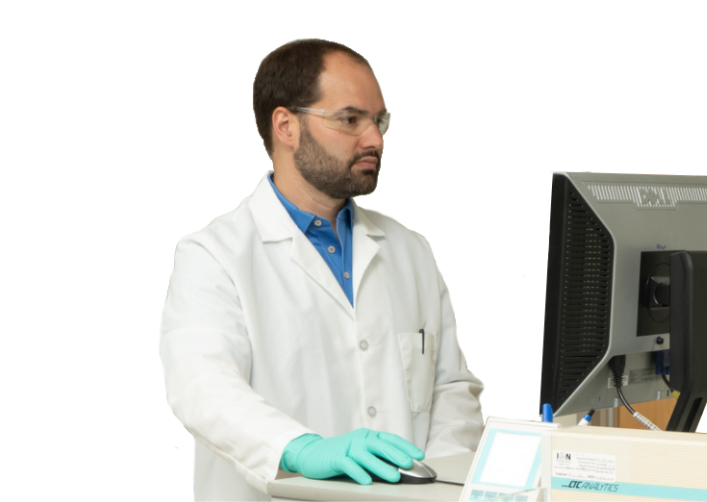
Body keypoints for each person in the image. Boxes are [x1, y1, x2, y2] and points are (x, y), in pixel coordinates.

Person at [158, 38, 485, 502]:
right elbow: (202, 386)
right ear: (286, 126)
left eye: (379, 120)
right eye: (351, 119)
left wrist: (434, 477)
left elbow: (451, 387)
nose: (375, 138)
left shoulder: (409, 249)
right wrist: (296, 448)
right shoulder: (215, 253)